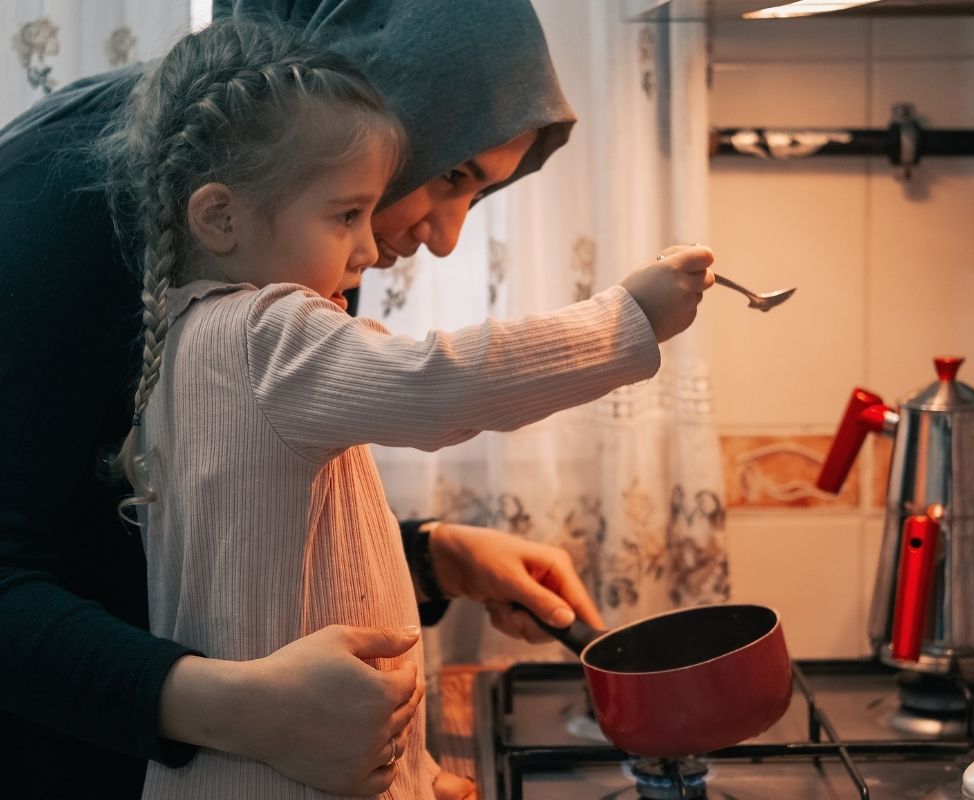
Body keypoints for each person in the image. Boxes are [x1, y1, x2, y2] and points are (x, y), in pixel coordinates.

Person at [0, 2, 689, 798]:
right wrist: (235, 709)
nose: (448, 238)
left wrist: (431, 557)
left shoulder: (282, 239)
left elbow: (221, 506)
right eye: (455, 174)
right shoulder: (57, 206)